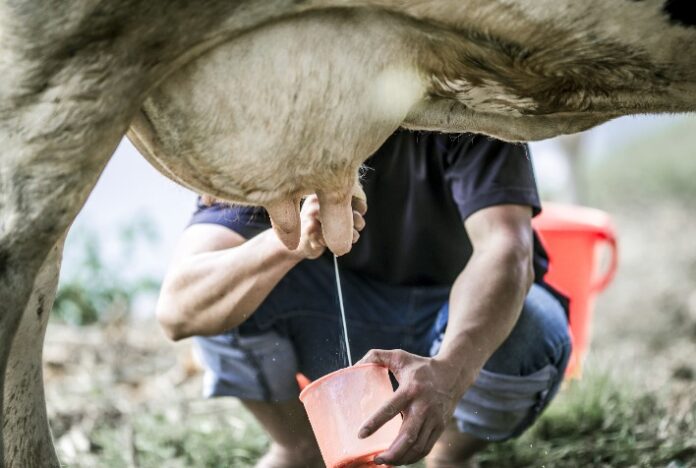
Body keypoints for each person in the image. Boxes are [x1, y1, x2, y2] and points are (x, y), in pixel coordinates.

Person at [156, 130, 571, 467]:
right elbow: (179, 309)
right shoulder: (272, 134)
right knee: (225, 298)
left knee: (531, 326)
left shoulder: (469, 103)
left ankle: (447, 453)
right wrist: (290, 243)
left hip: (456, 327)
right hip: (343, 333)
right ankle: (302, 448)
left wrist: (450, 373)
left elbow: (507, 250)